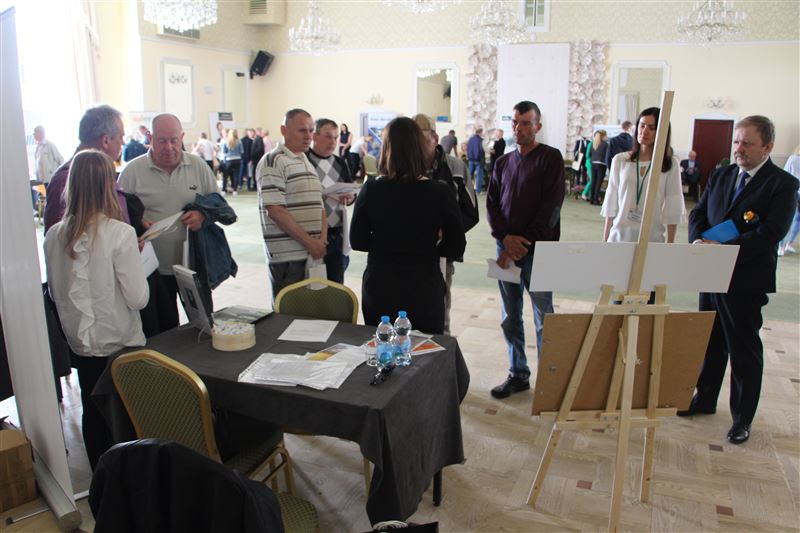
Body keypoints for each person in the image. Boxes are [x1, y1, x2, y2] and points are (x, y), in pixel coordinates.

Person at [682, 115, 798, 445]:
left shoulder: (782, 185)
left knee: (743, 349)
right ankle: (704, 399)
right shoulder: (722, 174)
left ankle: (742, 418)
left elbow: (772, 233)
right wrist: (698, 241)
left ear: (768, 147)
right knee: (711, 341)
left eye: (747, 143)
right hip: (710, 273)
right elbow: (698, 213)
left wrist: (724, 250)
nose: (739, 148)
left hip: (745, 279)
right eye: (736, 141)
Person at [44, 150, 149, 470]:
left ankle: (102, 479)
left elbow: (56, 292)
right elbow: (138, 298)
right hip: (120, 344)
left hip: (81, 345)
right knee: (128, 417)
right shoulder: (120, 234)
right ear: (108, 186)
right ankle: (133, 480)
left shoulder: (53, 236)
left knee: (93, 412)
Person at [350, 117, 465, 334]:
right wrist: (432, 244)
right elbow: (456, 246)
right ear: (420, 149)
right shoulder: (440, 192)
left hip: (381, 283)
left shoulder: (372, 190)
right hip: (423, 284)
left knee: (383, 346)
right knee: (425, 347)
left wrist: (385, 242)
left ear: (386, 149)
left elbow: (358, 241)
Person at [486, 100, 565, 399]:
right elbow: (492, 206)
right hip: (505, 251)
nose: (519, 128)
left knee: (544, 317)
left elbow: (551, 209)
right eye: (515, 122)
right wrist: (505, 239)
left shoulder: (551, 159)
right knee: (510, 316)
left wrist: (520, 245)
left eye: (526, 123)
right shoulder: (503, 163)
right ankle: (517, 373)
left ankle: (549, 380)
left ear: (537, 126)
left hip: (539, 252)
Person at [118, 113, 219, 331]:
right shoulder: (131, 172)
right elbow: (118, 219)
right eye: (162, 140)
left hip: (192, 267)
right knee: (162, 332)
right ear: (150, 138)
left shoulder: (198, 166)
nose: (169, 147)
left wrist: (203, 216)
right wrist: (137, 224)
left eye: (174, 140)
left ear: (182, 137)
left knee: (203, 328)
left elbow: (218, 205)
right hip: (152, 271)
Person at [257, 109, 326, 298]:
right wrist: (310, 243)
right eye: (302, 130)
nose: (308, 136)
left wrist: (321, 241)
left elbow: (319, 205)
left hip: (312, 254)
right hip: (288, 258)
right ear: (284, 130)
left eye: (311, 130)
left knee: (311, 310)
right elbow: (275, 211)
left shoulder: (305, 160)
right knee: (288, 312)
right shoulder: (273, 161)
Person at [601, 108, 684, 244]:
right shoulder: (620, 160)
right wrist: (605, 240)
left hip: (652, 239)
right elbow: (612, 199)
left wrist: (670, 245)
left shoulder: (670, 164)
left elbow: (673, 205)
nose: (644, 131)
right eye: (642, 125)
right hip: (619, 238)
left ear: (662, 131)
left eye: (651, 128)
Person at [44, 105, 128, 233]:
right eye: (120, 137)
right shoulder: (66, 179)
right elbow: (60, 236)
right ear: (105, 141)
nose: (123, 143)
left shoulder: (102, 171)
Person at [307, 118, 354, 284]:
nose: (333, 142)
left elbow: (350, 193)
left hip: (337, 235)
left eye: (335, 137)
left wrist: (350, 197)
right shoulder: (304, 161)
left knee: (336, 286)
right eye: (328, 136)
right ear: (314, 136)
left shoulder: (341, 163)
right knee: (313, 287)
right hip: (312, 235)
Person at [779, 144, 800, 255]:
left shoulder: (793, 158)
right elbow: (786, 173)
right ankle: (781, 246)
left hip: (797, 191)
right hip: (793, 191)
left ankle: (789, 244)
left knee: (797, 219)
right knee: (787, 220)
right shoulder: (793, 159)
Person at [588, 130, 608, 205]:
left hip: (593, 164)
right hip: (601, 164)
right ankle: (596, 200)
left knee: (593, 181)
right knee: (598, 183)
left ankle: (591, 199)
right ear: (603, 136)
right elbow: (607, 155)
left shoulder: (593, 143)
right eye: (606, 135)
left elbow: (589, 154)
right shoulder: (605, 144)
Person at [221, 128, 243, 195]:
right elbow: (242, 151)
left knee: (225, 175)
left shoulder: (226, 141)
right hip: (237, 160)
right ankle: (235, 190)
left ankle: (223, 190)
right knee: (236, 175)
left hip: (228, 160)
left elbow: (224, 151)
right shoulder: (239, 141)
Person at [467, 127, 485, 194]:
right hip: (478, 160)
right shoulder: (481, 140)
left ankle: (467, 189)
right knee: (479, 176)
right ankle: (478, 191)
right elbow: (482, 150)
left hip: (470, 160)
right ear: (480, 132)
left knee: (469, 176)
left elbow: (468, 148)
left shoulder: (470, 139)